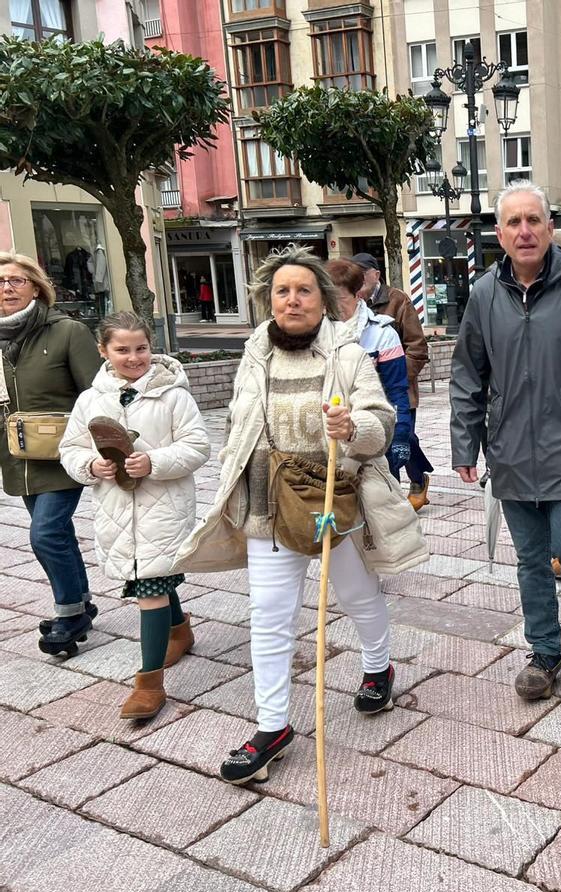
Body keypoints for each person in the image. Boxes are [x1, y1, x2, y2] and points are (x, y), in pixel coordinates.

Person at [174, 244, 420, 785]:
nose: (292, 300)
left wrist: (354, 429)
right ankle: (272, 726)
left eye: (303, 290)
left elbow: (381, 418)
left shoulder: (348, 354)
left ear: (323, 299)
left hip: (333, 497)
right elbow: (240, 425)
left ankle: (378, 668)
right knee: (269, 615)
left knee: (357, 597)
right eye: (282, 291)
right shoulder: (254, 354)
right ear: (269, 300)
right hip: (266, 502)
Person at [450, 181, 561, 702]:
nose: (525, 231)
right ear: (500, 234)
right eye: (514, 222)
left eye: (535, 220)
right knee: (529, 557)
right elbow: (468, 376)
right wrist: (465, 445)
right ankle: (544, 650)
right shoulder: (484, 294)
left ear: (551, 228)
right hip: (509, 448)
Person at [59, 312, 209, 720]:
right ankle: (180, 631)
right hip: (116, 510)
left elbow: (198, 446)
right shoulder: (90, 400)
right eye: (122, 349)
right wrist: (91, 466)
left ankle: (149, 683)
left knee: (150, 586)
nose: (134, 357)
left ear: (151, 346)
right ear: (103, 351)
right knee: (152, 574)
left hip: (163, 508)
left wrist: (155, 461)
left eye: (141, 348)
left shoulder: (173, 394)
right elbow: (70, 449)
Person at [0, 252, 102, 656]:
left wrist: (102, 447)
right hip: (17, 455)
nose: (6, 288)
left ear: (37, 287)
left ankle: (69, 614)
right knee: (57, 534)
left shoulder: (67, 332)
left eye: (15, 281)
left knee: (44, 534)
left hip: (62, 452)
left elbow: (96, 395)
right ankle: (82, 600)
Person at [351, 252, 434, 510]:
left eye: (363, 275)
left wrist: (396, 375)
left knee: (405, 436)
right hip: (365, 394)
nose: (360, 281)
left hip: (398, 389)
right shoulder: (350, 305)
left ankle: (418, 481)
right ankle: (395, 498)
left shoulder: (398, 301)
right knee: (385, 444)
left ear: (376, 275)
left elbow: (417, 348)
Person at [327, 259, 411, 481]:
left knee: (380, 503)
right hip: (330, 436)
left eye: (340, 299)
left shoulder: (382, 334)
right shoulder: (317, 334)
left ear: (358, 295)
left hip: (372, 431)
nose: (333, 307)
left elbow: (396, 391)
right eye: (328, 300)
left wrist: (401, 435)